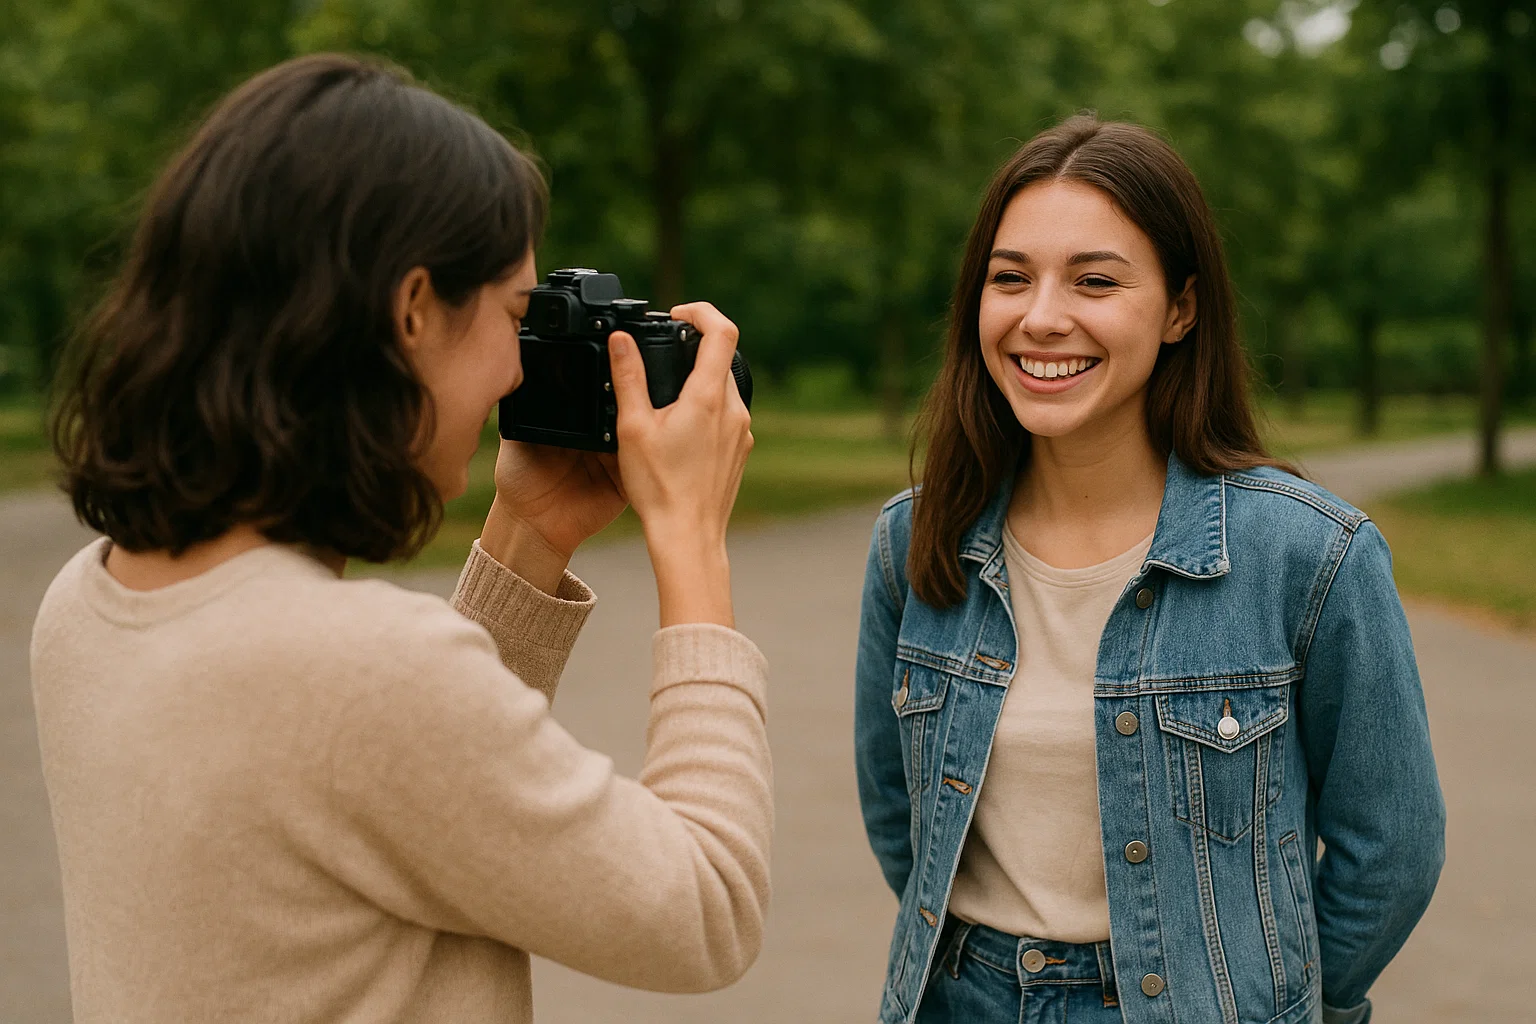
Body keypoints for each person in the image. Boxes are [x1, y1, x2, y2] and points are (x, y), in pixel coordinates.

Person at [32, 54, 769, 1023]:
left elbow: (404, 791)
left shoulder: (87, 603)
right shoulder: (364, 673)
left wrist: (530, 532)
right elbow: (705, 908)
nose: (517, 372)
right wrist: (692, 543)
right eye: (515, 315)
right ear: (414, 309)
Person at [854, 115, 1444, 1024]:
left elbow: (1392, 846)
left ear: (1180, 309)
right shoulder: (916, 539)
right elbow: (900, 813)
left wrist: (1282, 1000)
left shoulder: (1309, 555)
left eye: (1095, 280)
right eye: (1010, 278)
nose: (1041, 317)